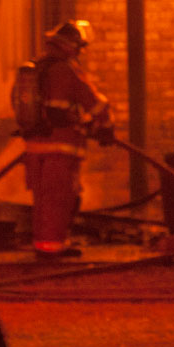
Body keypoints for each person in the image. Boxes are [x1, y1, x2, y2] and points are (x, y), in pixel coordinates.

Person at [21, 20, 112, 260]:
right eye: (79, 47)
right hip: (61, 148)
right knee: (59, 200)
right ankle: (53, 248)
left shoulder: (35, 69)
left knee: (42, 201)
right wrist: (105, 127)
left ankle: (42, 245)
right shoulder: (67, 70)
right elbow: (96, 103)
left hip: (34, 149)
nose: (80, 52)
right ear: (71, 46)